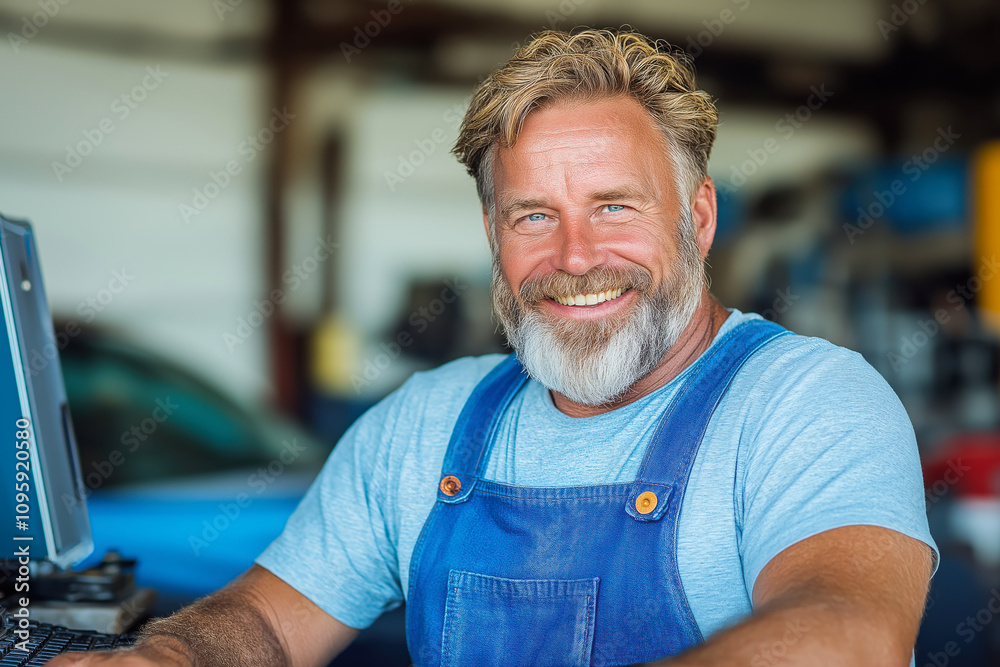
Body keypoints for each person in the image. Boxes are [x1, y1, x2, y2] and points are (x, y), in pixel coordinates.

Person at [51, 28, 937, 667]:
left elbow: (847, 632)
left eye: (614, 206)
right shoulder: (424, 424)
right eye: (534, 216)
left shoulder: (806, 402)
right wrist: (163, 658)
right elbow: (271, 625)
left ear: (696, 218)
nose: (575, 256)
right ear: (492, 235)